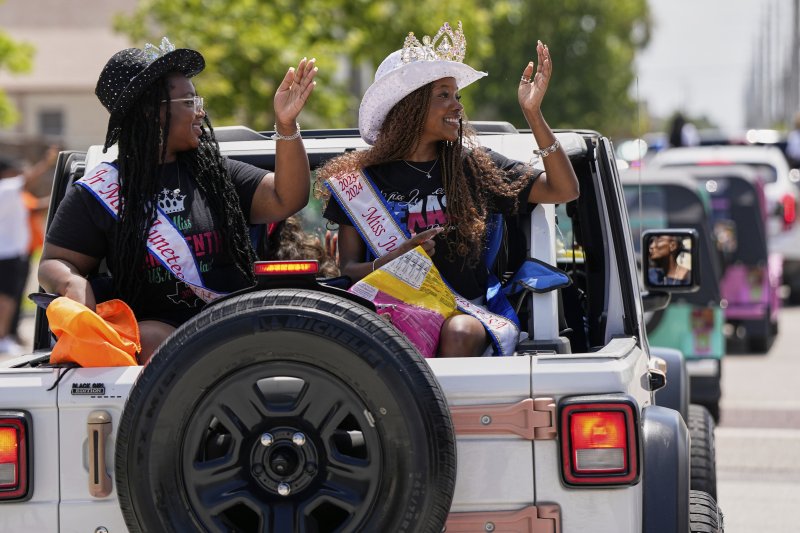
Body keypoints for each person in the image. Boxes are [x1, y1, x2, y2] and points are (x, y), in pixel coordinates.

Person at [39, 37, 316, 363]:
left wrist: (286, 125)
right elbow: (52, 262)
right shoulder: (99, 192)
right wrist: (71, 282)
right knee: (153, 338)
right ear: (150, 113)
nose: (201, 112)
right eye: (189, 101)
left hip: (235, 329)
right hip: (160, 351)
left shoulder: (214, 173)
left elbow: (288, 197)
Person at [316, 22, 579, 357]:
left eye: (457, 96)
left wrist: (533, 114)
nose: (457, 106)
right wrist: (398, 257)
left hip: (465, 313)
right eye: (443, 95)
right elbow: (348, 270)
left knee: (458, 330)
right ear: (409, 106)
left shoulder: (473, 168)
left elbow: (563, 189)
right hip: (392, 315)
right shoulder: (362, 181)